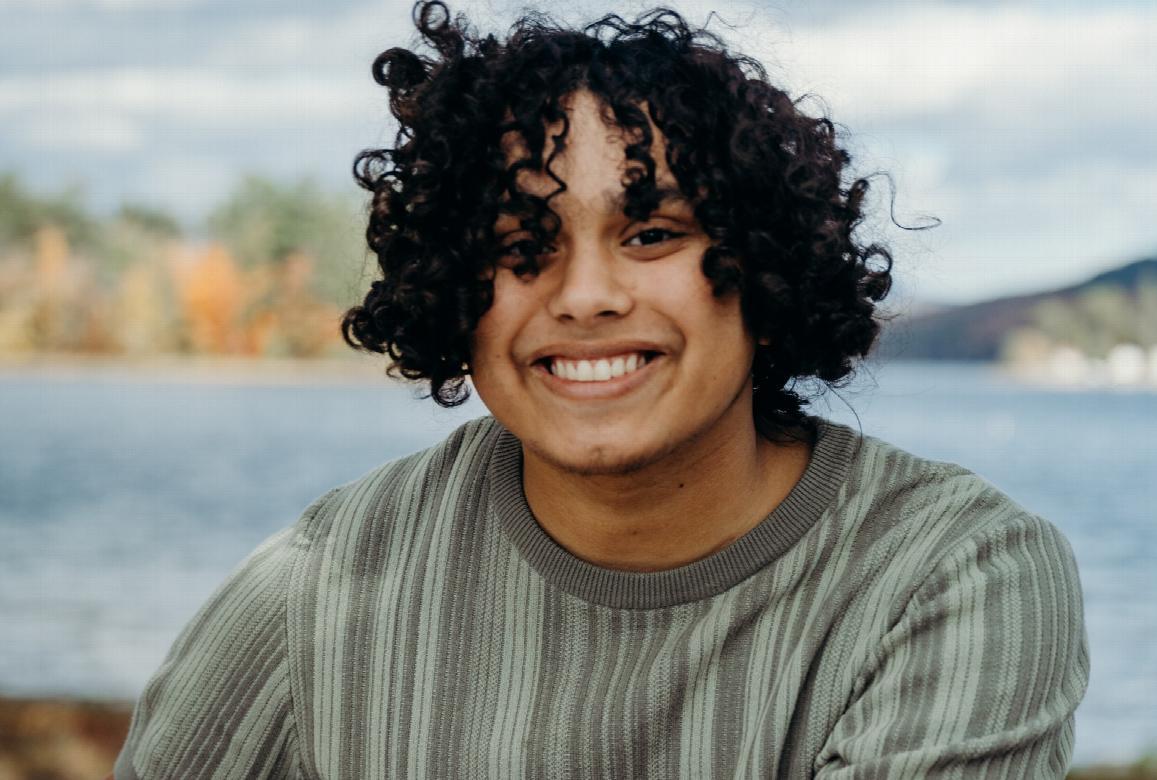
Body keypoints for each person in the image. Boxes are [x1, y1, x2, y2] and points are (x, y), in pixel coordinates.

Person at [113, 2, 1089, 777]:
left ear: (765, 267)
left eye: (652, 234)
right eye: (520, 244)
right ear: (452, 286)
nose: (584, 296)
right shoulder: (319, 583)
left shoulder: (955, 579)